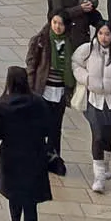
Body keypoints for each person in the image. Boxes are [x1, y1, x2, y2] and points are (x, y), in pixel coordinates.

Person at [0, 65, 52, 221]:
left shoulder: (2, 104)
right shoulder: (38, 102)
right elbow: (48, 128)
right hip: (34, 158)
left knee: (14, 195)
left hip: (11, 158)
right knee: (31, 206)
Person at [72, 23, 111, 193]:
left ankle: (106, 165)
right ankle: (98, 176)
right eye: (100, 33)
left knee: (107, 135)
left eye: (107, 34)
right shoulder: (88, 50)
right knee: (97, 136)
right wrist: (86, 78)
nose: (103, 37)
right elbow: (75, 63)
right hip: (94, 101)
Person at [26, 12, 77, 173]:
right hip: (43, 90)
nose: (57, 26)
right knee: (41, 125)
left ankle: (53, 157)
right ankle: (38, 156)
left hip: (61, 91)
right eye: (54, 22)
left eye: (60, 23)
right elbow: (31, 65)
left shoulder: (70, 42)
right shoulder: (41, 40)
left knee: (56, 127)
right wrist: (30, 87)